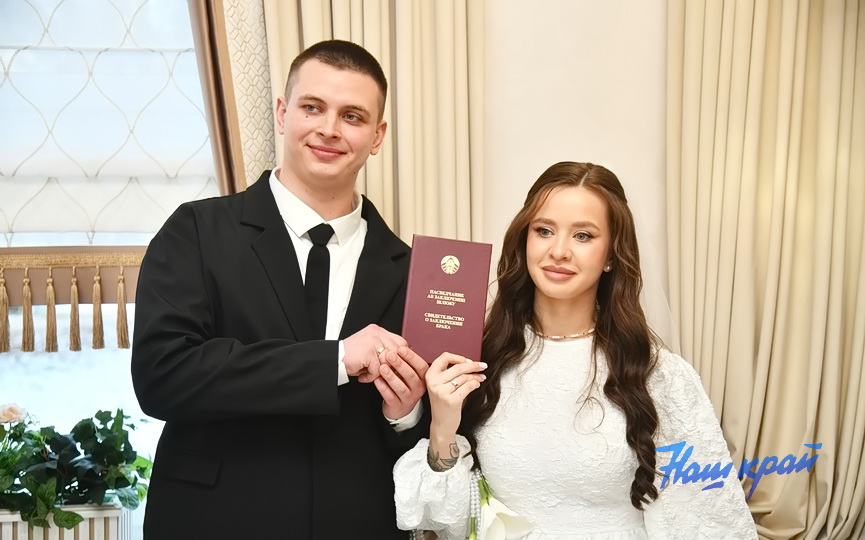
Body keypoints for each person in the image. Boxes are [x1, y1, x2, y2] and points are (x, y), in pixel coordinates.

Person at [132, 40, 429, 540]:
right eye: (312, 107)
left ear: (377, 136)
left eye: (352, 116)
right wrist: (336, 360)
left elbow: (427, 445)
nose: (329, 129)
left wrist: (407, 414)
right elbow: (162, 376)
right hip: (214, 523)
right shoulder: (196, 231)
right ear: (282, 113)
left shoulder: (415, 272)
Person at [394, 162, 757, 539]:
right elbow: (449, 521)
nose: (559, 251)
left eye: (583, 235)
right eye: (544, 230)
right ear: (524, 240)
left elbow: (705, 523)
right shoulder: (482, 361)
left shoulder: (659, 375)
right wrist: (442, 427)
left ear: (612, 254)